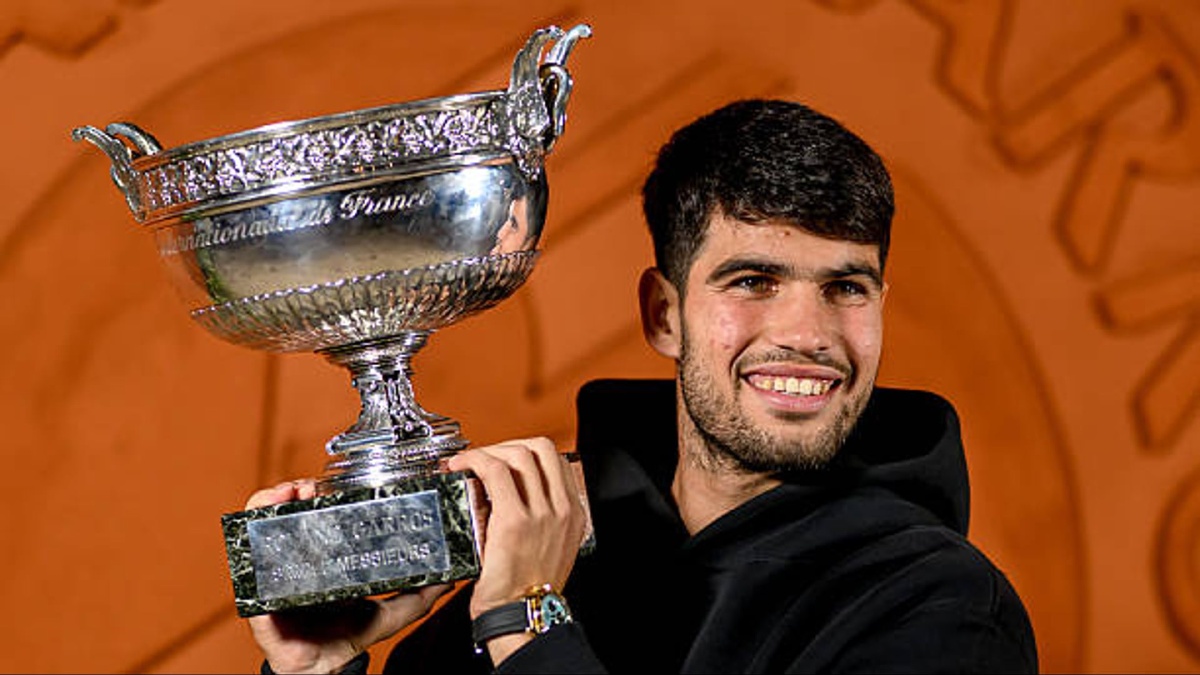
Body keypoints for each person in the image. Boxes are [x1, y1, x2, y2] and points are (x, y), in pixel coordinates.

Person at [247, 99, 1039, 674]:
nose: (809, 334)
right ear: (664, 314)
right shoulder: (556, 555)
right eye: (754, 280)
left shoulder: (942, 609)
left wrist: (527, 622)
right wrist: (320, 670)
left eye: (846, 287)